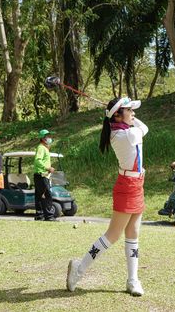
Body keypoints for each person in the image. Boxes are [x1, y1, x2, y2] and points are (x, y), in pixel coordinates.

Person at [66, 97, 148, 296]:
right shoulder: (124, 135)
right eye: (130, 111)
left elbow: (139, 125)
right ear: (118, 115)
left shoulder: (122, 130)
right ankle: (78, 269)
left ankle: (132, 279)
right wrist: (116, 114)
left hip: (137, 183)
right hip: (127, 186)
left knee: (133, 233)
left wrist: (119, 113)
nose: (134, 114)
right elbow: (144, 128)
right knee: (112, 235)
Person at [34, 129, 56, 221]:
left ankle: (40, 215)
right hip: (42, 175)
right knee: (47, 195)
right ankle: (49, 216)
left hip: (42, 175)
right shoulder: (41, 148)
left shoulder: (44, 148)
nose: (49, 138)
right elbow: (37, 160)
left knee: (39, 196)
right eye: (47, 136)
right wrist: (47, 168)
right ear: (43, 138)